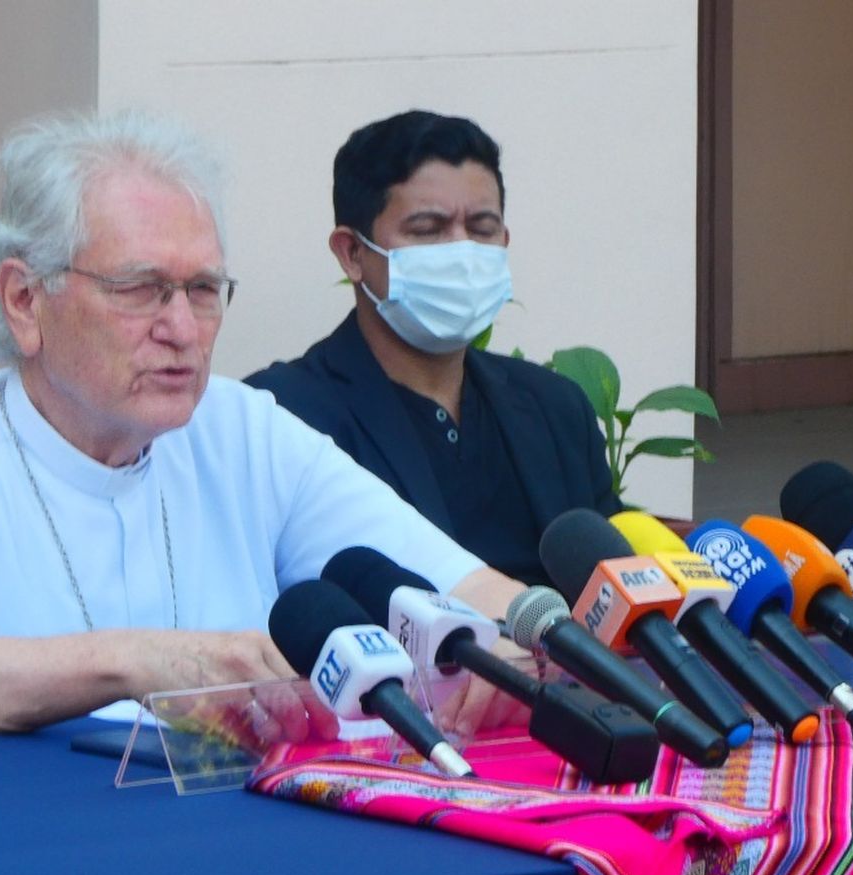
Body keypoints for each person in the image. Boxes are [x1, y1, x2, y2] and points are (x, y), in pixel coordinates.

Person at [0, 110, 524, 735]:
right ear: (26, 300)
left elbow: (466, 585)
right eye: (142, 288)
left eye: (203, 289)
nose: (182, 328)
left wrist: (525, 641)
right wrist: (138, 661)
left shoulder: (243, 432)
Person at [245, 110, 622, 588]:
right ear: (352, 253)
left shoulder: (556, 408)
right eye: (427, 230)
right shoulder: (282, 419)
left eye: (482, 228)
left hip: (572, 660)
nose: (461, 253)